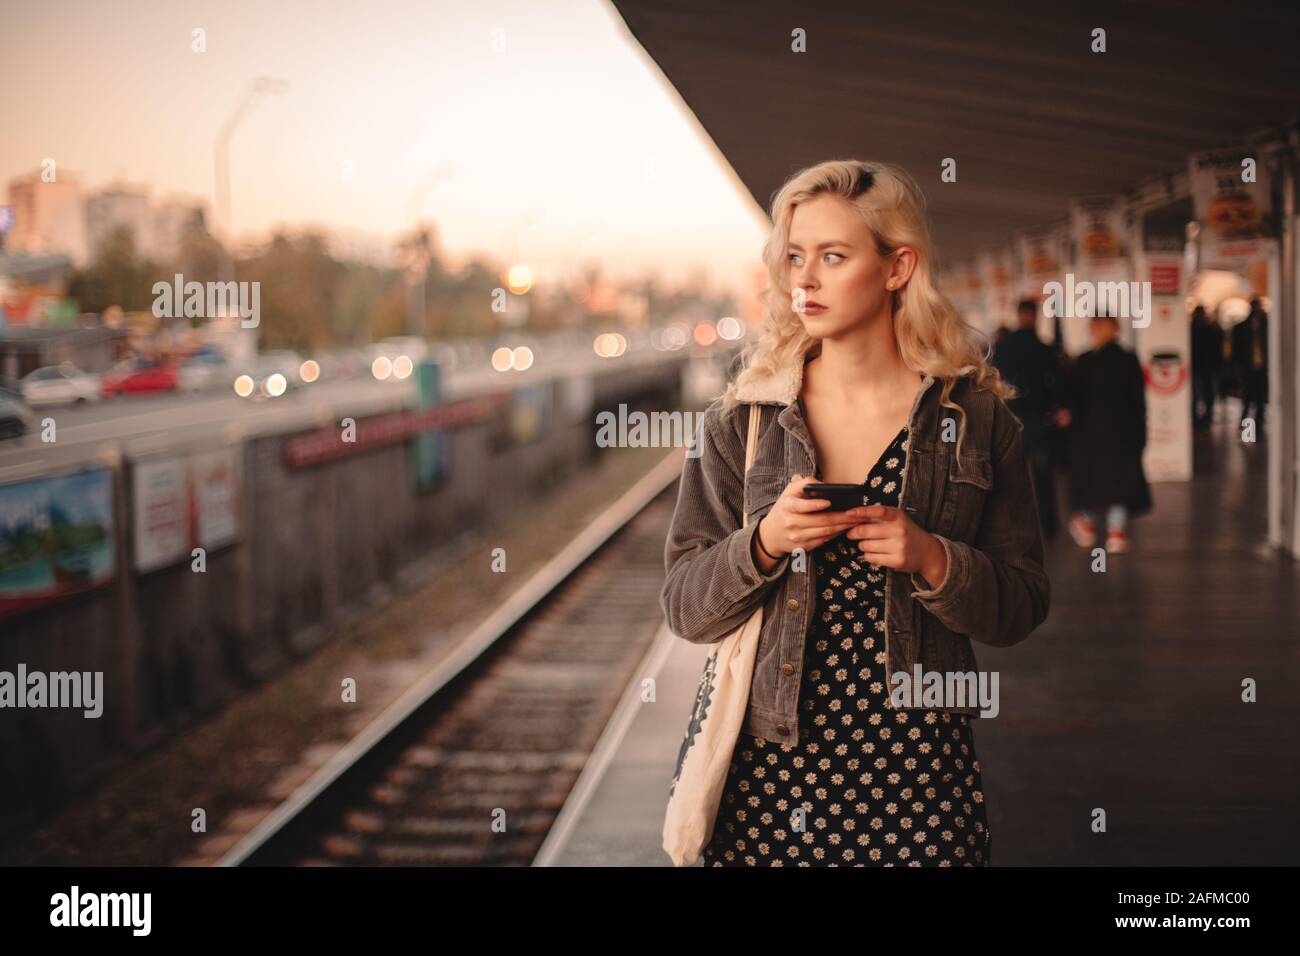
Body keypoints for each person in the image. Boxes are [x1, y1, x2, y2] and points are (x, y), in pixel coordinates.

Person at [660, 160, 1050, 866]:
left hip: (923, 783)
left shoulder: (977, 419)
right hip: (768, 783)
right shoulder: (742, 423)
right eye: (794, 257)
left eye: (832, 257)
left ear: (898, 266)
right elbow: (686, 607)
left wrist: (934, 559)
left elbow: (1021, 605)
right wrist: (765, 543)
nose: (802, 281)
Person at [1063, 313, 1152, 553]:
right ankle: (1116, 533)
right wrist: (1140, 433)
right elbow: (1138, 401)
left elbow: (1072, 401)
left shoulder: (1083, 362)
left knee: (1091, 484)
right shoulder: (1128, 360)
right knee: (1119, 484)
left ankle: (1088, 526)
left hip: (1089, 436)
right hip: (1121, 435)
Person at [991, 298, 1069, 539]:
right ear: (1035, 316)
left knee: (1011, 475)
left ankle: (1013, 525)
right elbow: (1056, 382)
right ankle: (1049, 523)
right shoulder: (1044, 348)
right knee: (1043, 473)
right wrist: (1058, 408)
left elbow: (995, 380)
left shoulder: (1003, 348)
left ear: (1018, 314)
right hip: (1039, 419)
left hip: (1011, 418)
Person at [1230, 297, 1268, 429]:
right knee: (1247, 395)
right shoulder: (1241, 328)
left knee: (1260, 396)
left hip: (1262, 367)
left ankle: (1258, 422)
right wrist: (1237, 368)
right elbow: (1236, 350)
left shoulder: (1266, 326)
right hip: (1248, 366)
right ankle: (1245, 422)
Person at [1190, 305, 1224, 432]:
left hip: (1204, 366)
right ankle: (1202, 417)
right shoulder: (1206, 328)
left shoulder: (1203, 328)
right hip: (1202, 366)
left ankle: (1203, 417)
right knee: (1201, 393)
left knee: (1203, 393)